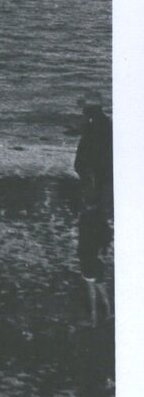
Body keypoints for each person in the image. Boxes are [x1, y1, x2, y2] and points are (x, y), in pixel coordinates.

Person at [75, 96, 114, 323]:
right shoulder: (101, 127)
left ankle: (99, 313)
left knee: (91, 174)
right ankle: (103, 312)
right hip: (99, 173)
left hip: (97, 174)